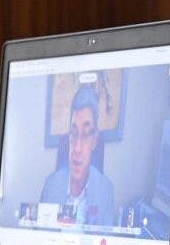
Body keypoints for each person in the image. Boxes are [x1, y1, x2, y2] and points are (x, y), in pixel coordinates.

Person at [40, 85, 116, 226]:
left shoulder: (106, 190)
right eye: (74, 133)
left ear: (94, 141)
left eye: (86, 134)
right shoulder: (50, 186)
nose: (77, 147)